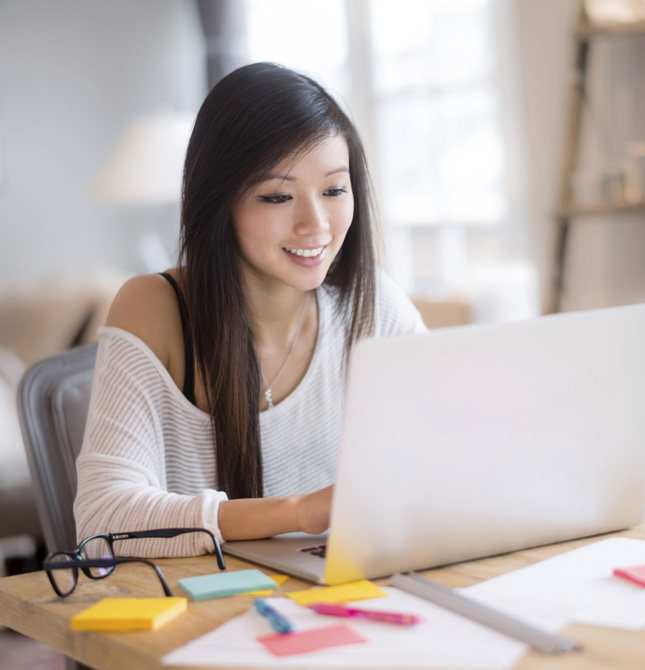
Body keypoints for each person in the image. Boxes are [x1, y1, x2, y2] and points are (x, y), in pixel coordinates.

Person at [73, 62, 426, 559]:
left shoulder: (372, 305)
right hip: (200, 610)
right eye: (278, 196)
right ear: (220, 201)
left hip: (340, 597)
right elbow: (101, 521)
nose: (316, 223)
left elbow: (443, 458)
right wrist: (298, 512)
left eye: (333, 189)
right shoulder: (155, 308)